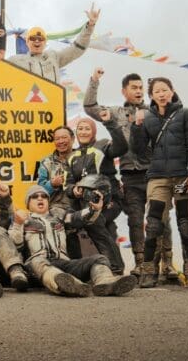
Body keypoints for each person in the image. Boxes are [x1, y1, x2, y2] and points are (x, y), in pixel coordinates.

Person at [83, 68, 177, 279]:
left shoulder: (154, 111)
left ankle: (168, 264)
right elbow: (89, 106)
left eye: (141, 87)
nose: (139, 91)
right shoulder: (115, 112)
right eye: (134, 87)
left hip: (155, 173)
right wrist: (95, 80)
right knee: (135, 220)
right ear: (124, 91)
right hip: (129, 176)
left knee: (161, 219)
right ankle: (141, 264)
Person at [130, 77, 188, 289]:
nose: (161, 94)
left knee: (185, 224)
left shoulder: (185, 114)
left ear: (172, 91)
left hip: (183, 177)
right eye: (157, 91)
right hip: (158, 177)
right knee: (153, 224)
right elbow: (138, 149)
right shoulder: (147, 117)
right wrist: (137, 125)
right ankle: (149, 272)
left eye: (165, 90)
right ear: (151, 96)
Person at [8, 182, 136, 297]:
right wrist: (18, 224)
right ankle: (65, 284)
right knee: (37, 261)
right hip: (36, 269)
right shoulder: (23, 220)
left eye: (44, 196)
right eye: (35, 197)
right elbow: (15, 245)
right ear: (28, 203)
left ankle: (105, 282)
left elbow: (77, 217)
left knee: (99, 259)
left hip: (64, 264)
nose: (40, 198)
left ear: (48, 201)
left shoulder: (59, 216)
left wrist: (94, 209)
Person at [63, 113, 127, 274]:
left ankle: (115, 267)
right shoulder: (72, 156)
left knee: (94, 220)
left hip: (109, 201)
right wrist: (74, 190)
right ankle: (76, 269)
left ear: (93, 131)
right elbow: (68, 184)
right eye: (80, 129)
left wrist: (110, 122)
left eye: (87, 128)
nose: (83, 132)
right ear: (76, 133)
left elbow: (122, 147)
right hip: (86, 204)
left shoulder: (103, 145)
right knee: (69, 224)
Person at [6, 5, 99, 84]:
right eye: (33, 38)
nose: (37, 41)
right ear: (27, 42)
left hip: (53, 104)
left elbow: (77, 49)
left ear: (45, 42)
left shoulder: (53, 57)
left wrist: (90, 25)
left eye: (41, 39)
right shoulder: (16, 61)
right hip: (28, 104)